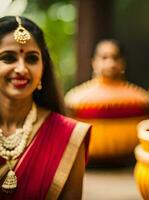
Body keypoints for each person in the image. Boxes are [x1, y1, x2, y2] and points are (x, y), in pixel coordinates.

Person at [0, 16, 90, 199]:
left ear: (43, 67)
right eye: (8, 58)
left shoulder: (68, 136)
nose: (21, 69)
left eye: (32, 59)